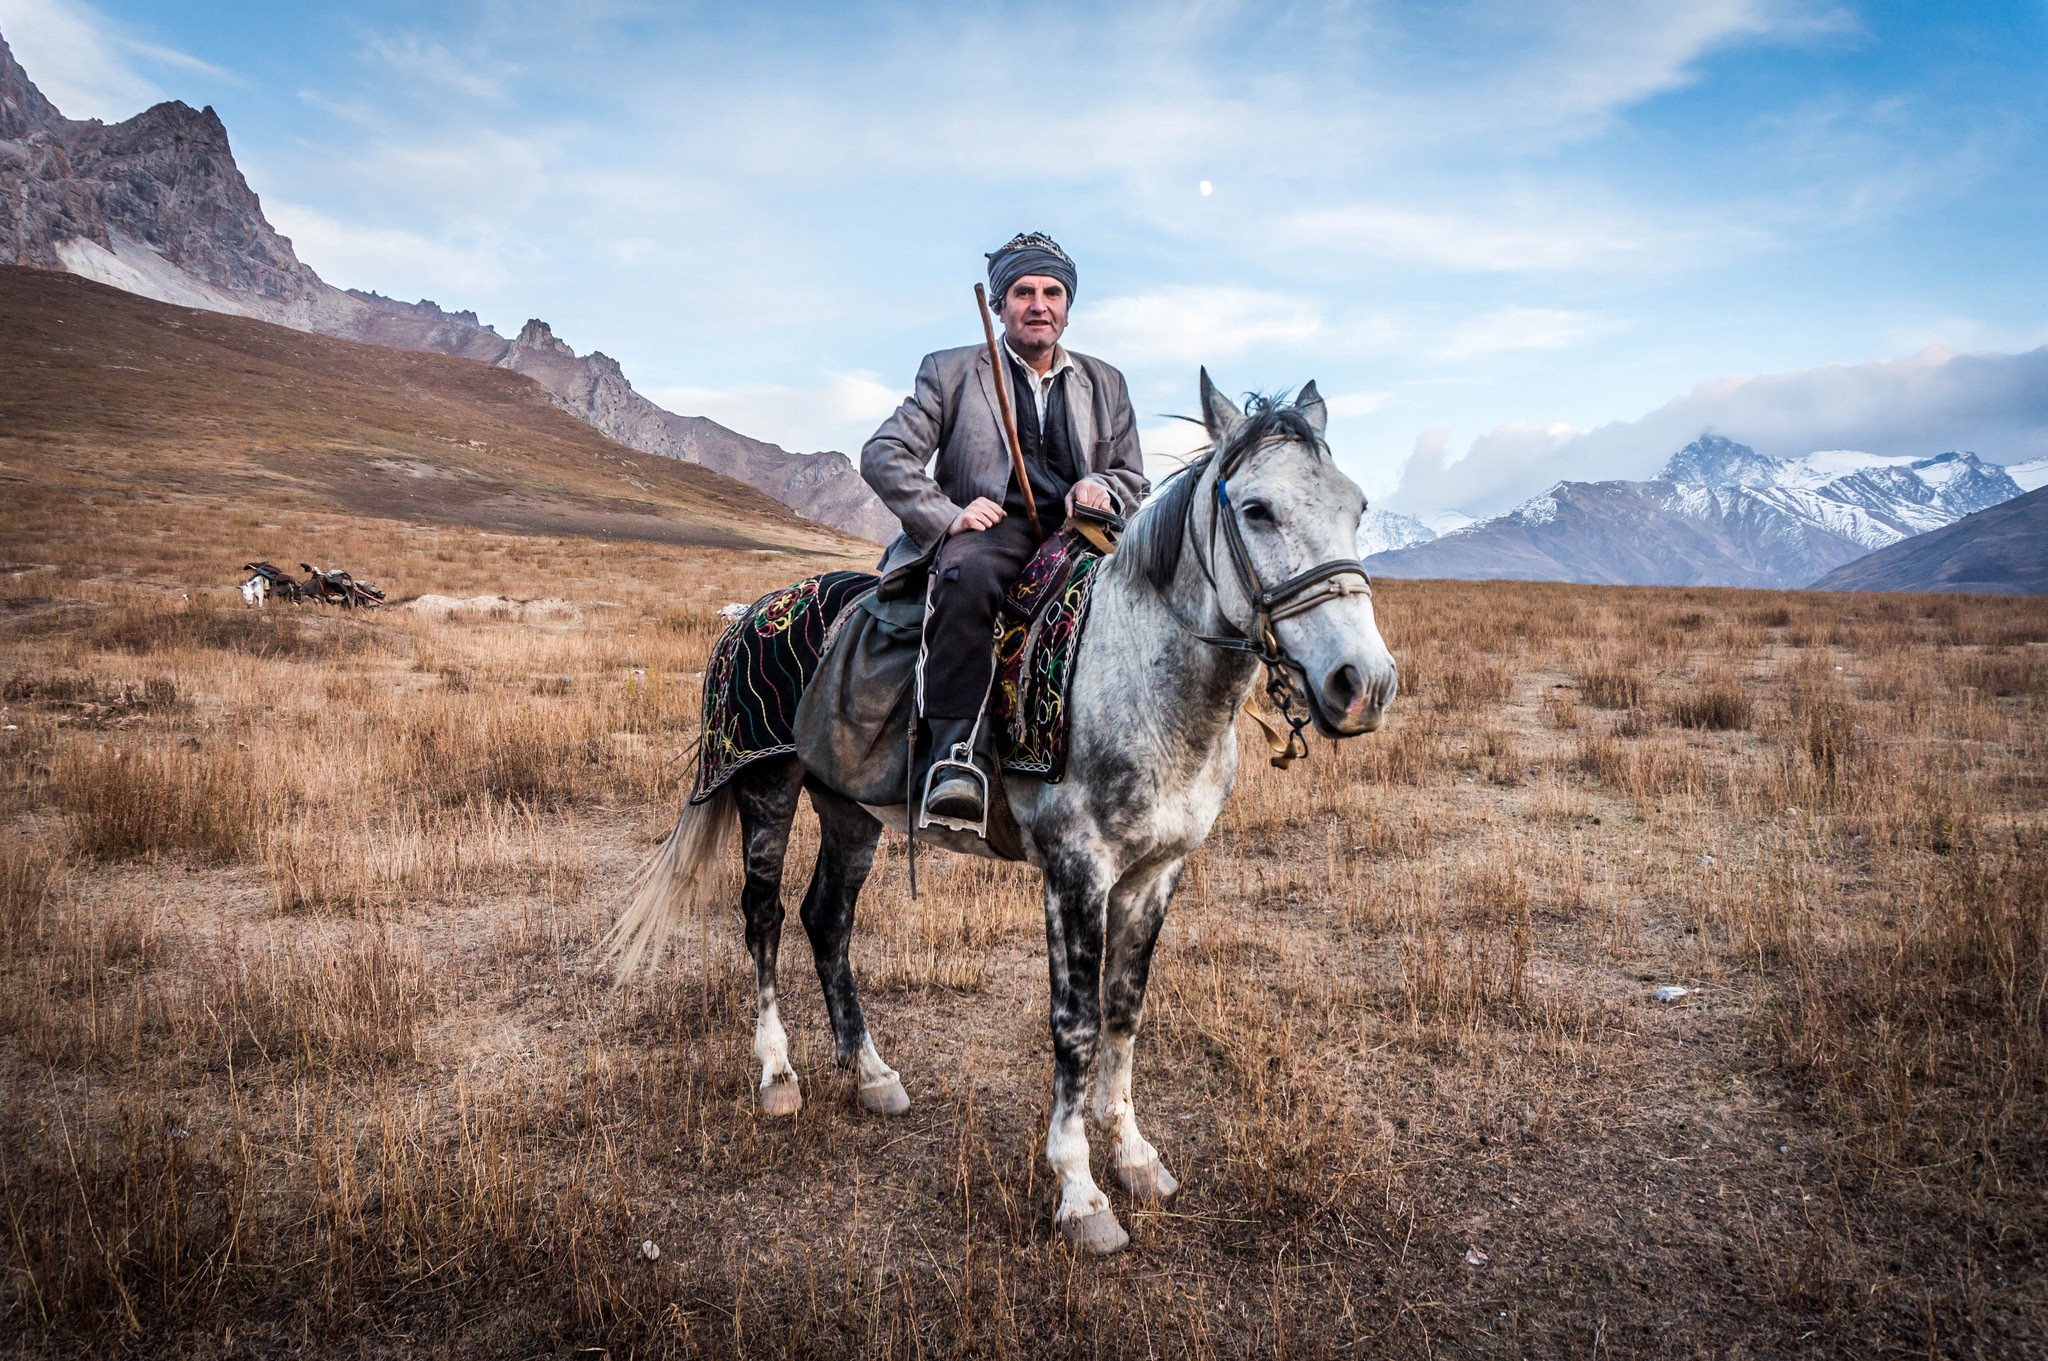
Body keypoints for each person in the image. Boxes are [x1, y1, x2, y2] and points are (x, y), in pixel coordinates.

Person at [861, 232, 1147, 828]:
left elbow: (1130, 476)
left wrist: (1103, 488)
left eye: (1051, 292)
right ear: (1000, 304)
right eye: (1023, 292)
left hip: (1079, 535)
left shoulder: (1107, 381)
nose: (1038, 304)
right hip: (992, 529)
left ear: (1068, 307)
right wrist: (947, 516)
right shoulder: (951, 371)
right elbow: (885, 452)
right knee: (968, 576)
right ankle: (955, 758)